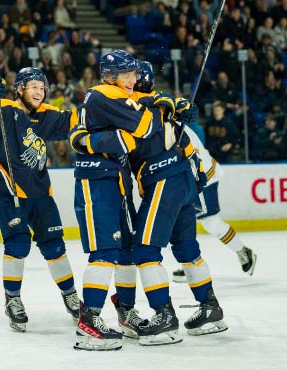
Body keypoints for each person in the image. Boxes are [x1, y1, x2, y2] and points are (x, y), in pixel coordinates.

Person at [72, 59, 228, 346]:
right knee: (187, 249)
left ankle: (164, 316)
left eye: (133, 77)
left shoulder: (139, 105)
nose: (130, 84)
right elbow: (189, 146)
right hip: (184, 181)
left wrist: (82, 139)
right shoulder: (160, 104)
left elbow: (136, 114)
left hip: (162, 179)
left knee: (144, 249)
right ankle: (210, 309)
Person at [68, 50, 167, 350]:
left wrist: (91, 139)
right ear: (111, 77)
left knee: (125, 250)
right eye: (127, 75)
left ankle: (125, 312)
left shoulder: (102, 97)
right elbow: (147, 127)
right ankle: (89, 320)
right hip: (98, 182)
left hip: (116, 181)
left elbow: (79, 132)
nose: (133, 80)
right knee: (105, 252)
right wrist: (157, 105)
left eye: (134, 74)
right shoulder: (105, 94)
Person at [0, 67, 80, 332]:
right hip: (8, 189)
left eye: (42, 88)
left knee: (55, 247)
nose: (39, 92)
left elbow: (79, 119)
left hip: (41, 192)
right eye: (33, 86)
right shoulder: (5, 108)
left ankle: (70, 296)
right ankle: (13, 299)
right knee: (18, 244)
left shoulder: (47, 116)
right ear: (19, 89)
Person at [172, 98, 257, 282]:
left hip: (203, 178)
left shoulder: (175, 130)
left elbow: (195, 161)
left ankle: (242, 251)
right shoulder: (167, 127)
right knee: (183, 220)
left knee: (209, 221)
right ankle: (189, 262)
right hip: (189, 179)